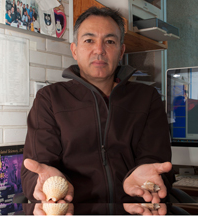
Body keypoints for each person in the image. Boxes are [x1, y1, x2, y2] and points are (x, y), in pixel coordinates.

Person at [21, 7, 174, 215]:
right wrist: (43, 185)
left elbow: (158, 164)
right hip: (72, 211)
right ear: (74, 50)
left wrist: (150, 183)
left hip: (134, 209)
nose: (99, 49)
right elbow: (36, 169)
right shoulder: (49, 99)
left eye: (110, 41)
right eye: (89, 40)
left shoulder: (148, 98)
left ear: (121, 51)